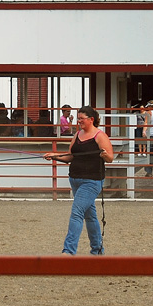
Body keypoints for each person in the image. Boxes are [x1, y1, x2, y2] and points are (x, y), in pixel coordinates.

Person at [44, 106, 114, 255]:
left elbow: (110, 158)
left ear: (91, 119)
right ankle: (98, 249)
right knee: (90, 215)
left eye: (82, 118)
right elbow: (71, 156)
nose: (79, 121)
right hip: (75, 179)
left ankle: (68, 252)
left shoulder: (100, 136)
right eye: (78, 118)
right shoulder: (77, 135)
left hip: (92, 181)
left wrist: (104, 155)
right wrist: (54, 155)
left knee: (77, 212)